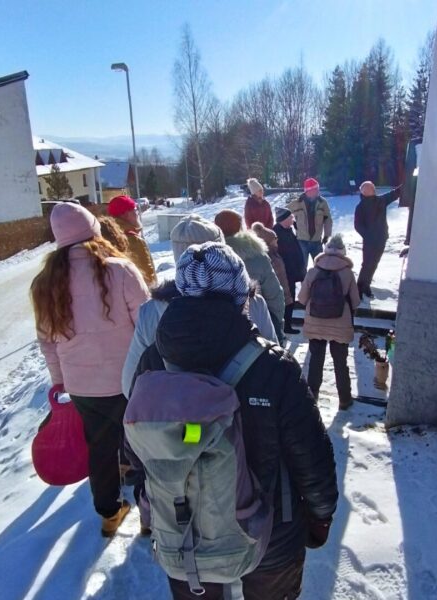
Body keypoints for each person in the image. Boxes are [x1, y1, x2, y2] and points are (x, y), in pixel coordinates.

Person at [130, 242, 338, 600]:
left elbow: (136, 446)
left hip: (185, 533)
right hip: (271, 534)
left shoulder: (153, 361)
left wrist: (148, 503)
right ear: (242, 294)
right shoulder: (273, 367)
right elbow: (310, 456)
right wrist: (320, 515)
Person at [30, 202, 150, 536]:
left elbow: (47, 341)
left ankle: (109, 513)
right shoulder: (121, 270)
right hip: (129, 380)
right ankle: (151, 516)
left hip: (82, 386)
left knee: (100, 448)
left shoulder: (44, 284)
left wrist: (59, 382)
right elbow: (147, 324)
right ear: (93, 232)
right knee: (143, 448)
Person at [121, 214, 276, 397]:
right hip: (246, 412)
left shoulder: (152, 311)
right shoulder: (253, 304)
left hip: (180, 418)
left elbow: (130, 383)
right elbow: (273, 365)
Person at [298, 233, 360, 410]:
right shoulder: (347, 273)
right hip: (340, 323)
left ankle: (312, 396)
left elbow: (302, 298)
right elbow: (355, 301)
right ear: (343, 252)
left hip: (315, 321)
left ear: (325, 250)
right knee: (340, 362)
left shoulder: (313, 271)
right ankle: (345, 399)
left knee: (316, 360)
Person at [215, 209, 286, 343]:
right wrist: (275, 322)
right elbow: (274, 293)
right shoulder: (257, 255)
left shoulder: (208, 257)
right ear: (241, 227)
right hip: (259, 325)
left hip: (221, 329)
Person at [354, 181, 399, 299]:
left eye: (373, 189)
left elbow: (395, 193)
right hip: (370, 242)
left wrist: (409, 182)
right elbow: (358, 226)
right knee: (367, 264)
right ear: (366, 192)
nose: (374, 190)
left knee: (374, 264)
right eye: (372, 189)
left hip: (381, 239)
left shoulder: (380, 201)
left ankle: (366, 285)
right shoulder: (360, 207)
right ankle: (359, 288)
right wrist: (368, 236)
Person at [251, 222, 294, 336]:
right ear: (268, 241)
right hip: (274, 297)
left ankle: (286, 328)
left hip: (281, 291)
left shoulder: (275, 253)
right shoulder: (266, 257)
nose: (277, 240)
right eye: (275, 238)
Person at [106, 195, 157, 286]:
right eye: (134, 209)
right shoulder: (133, 240)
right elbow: (147, 275)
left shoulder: (107, 237)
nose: (137, 213)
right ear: (125, 214)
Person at [273, 207, 307, 335]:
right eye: (291, 217)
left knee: (291, 299)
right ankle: (286, 325)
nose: (293, 219)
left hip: (293, 271)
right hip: (286, 273)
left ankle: (287, 324)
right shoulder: (276, 233)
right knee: (288, 299)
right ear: (284, 219)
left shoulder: (288, 230)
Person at [287, 178, 332, 270]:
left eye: (318, 188)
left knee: (321, 267)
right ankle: (305, 284)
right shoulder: (297, 203)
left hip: (317, 241)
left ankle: (320, 284)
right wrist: (292, 226)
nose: (318, 190)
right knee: (302, 268)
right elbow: (283, 215)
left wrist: (327, 235)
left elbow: (328, 220)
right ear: (309, 190)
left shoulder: (322, 203)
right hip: (301, 241)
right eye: (316, 188)